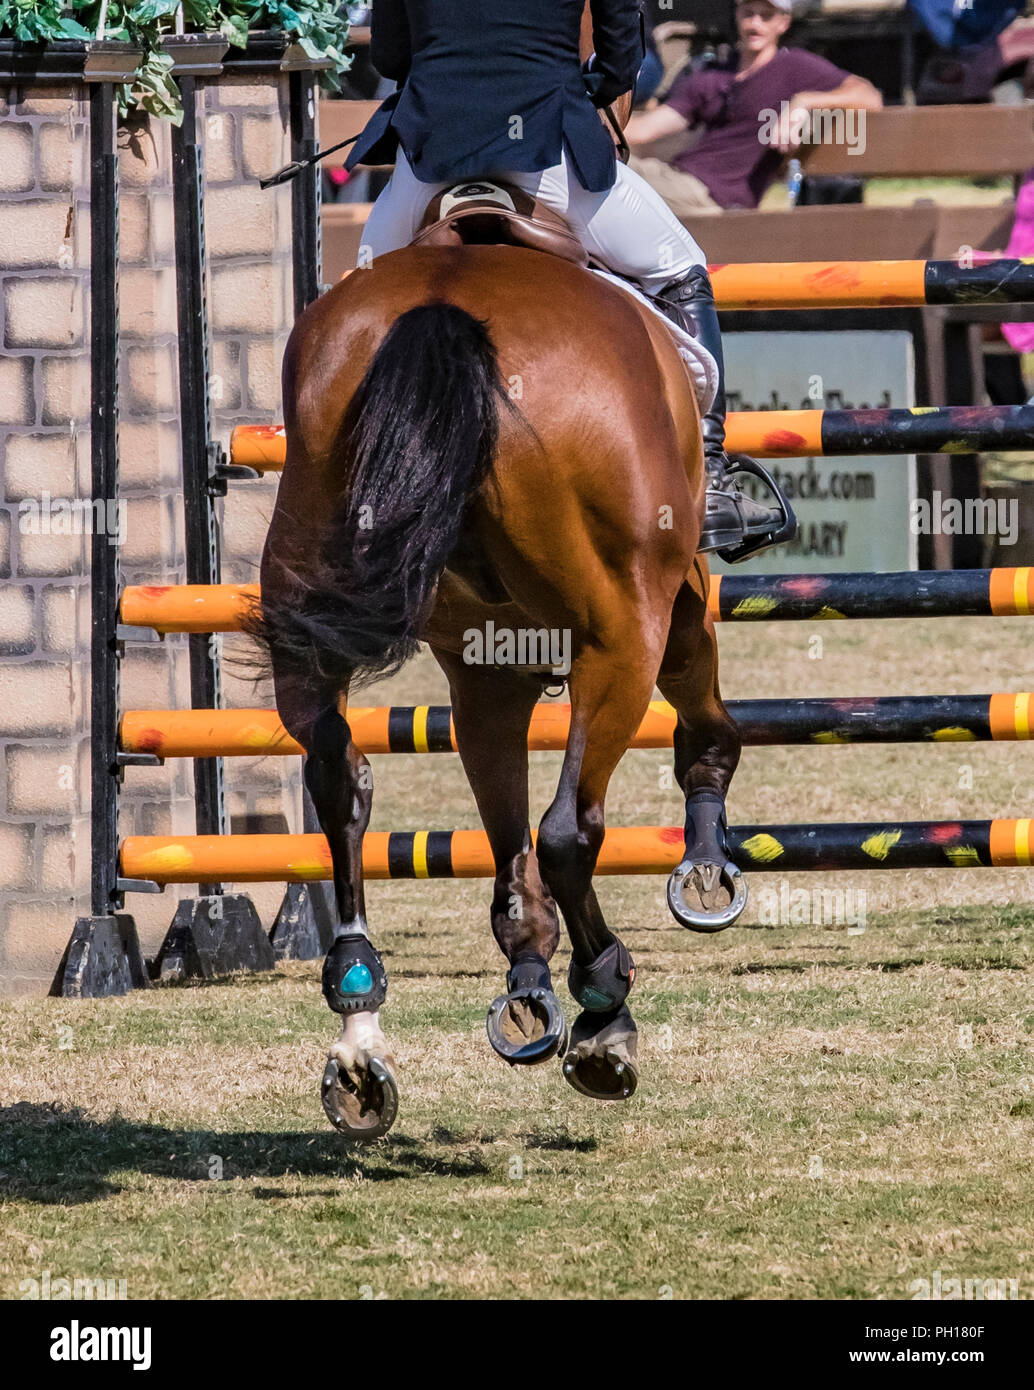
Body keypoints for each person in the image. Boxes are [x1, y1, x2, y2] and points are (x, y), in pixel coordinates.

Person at [343, 0, 792, 560]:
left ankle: (350, 489)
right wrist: (594, 87)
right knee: (679, 267)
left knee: (356, 300)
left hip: (432, 156)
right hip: (549, 152)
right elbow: (623, 48)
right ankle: (714, 475)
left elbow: (390, 53)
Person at [625, 0, 882, 217]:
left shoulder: (795, 68)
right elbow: (644, 130)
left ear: (783, 23)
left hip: (716, 198)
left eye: (765, 16)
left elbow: (869, 97)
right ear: (737, 14)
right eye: (748, 13)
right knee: (608, 168)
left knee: (611, 174)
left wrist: (804, 101)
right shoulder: (714, 74)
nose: (755, 23)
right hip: (676, 181)